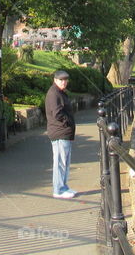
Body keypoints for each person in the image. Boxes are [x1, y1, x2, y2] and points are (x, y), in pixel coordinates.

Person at [44, 69, 76, 199]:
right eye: (61, 80)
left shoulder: (60, 93)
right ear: (55, 80)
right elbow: (57, 113)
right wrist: (68, 122)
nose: (64, 82)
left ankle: (64, 186)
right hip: (59, 132)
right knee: (60, 162)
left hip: (64, 132)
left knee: (65, 161)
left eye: (65, 80)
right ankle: (58, 189)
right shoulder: (53, 94)